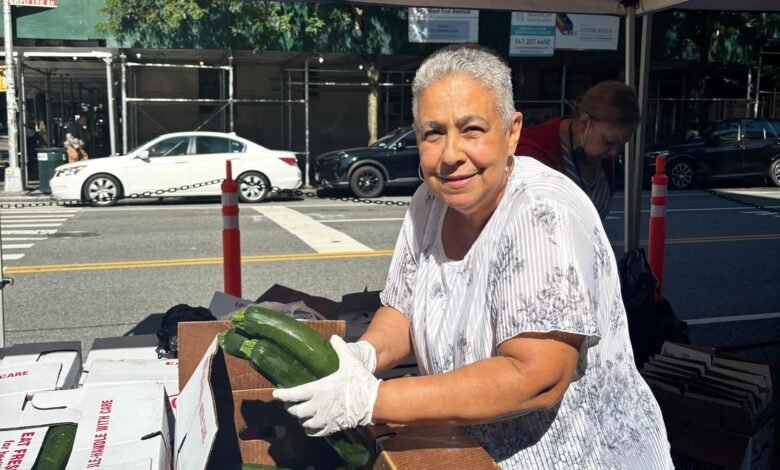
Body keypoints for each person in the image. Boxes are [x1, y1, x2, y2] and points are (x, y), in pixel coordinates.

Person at [273, 44, 673, 469]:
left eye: (472, 129)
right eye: (433, 133)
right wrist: (365, 355)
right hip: (474, 448)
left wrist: (371, 399)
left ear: (512, 132)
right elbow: (402, 309)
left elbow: (536, 375)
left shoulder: (541, 210)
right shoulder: (429, 201)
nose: (450, 154)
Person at [515, 80, 640, 219]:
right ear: (584, 123)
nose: (614, 152)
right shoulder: (530, 152)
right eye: (608, 142)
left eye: (622, 145)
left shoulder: (601, 155)